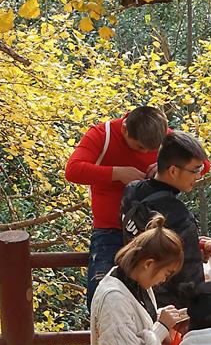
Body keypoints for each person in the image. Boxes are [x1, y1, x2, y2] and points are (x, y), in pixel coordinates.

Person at [65, 106, 170, 309]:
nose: (146, 153)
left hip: (152, 230)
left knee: (158, 298)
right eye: (140, 147)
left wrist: (165, 167)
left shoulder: (164, 135)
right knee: (102, 294)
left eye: (151, 149)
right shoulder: (101, 134)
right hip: (109, 229)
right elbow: (73, 170)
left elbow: (201, 164)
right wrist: (117, 173)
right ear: (124, 129)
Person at [89, 215, 186, 345]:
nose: (164, 280)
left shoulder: (138, 284)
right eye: (166, 273)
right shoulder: (114, 298)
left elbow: (135, 326)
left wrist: (160, 320)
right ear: (149, 264)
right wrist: (161, 327)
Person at [119, 131, 208, 308]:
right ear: (173, 170)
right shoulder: (179, 216)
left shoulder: (132, 191)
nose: (198, 176)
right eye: (195, 170)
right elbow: (191, 278)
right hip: (169, 310)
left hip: (130, 295)